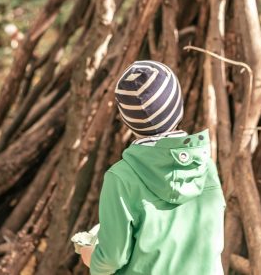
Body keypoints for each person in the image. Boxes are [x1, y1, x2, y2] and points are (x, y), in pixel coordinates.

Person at [80, 60, 226, 275]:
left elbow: (112, 258)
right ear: (178, 107)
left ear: (126, 120)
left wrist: (91, 255)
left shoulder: (120, 178)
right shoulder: (204, 165)